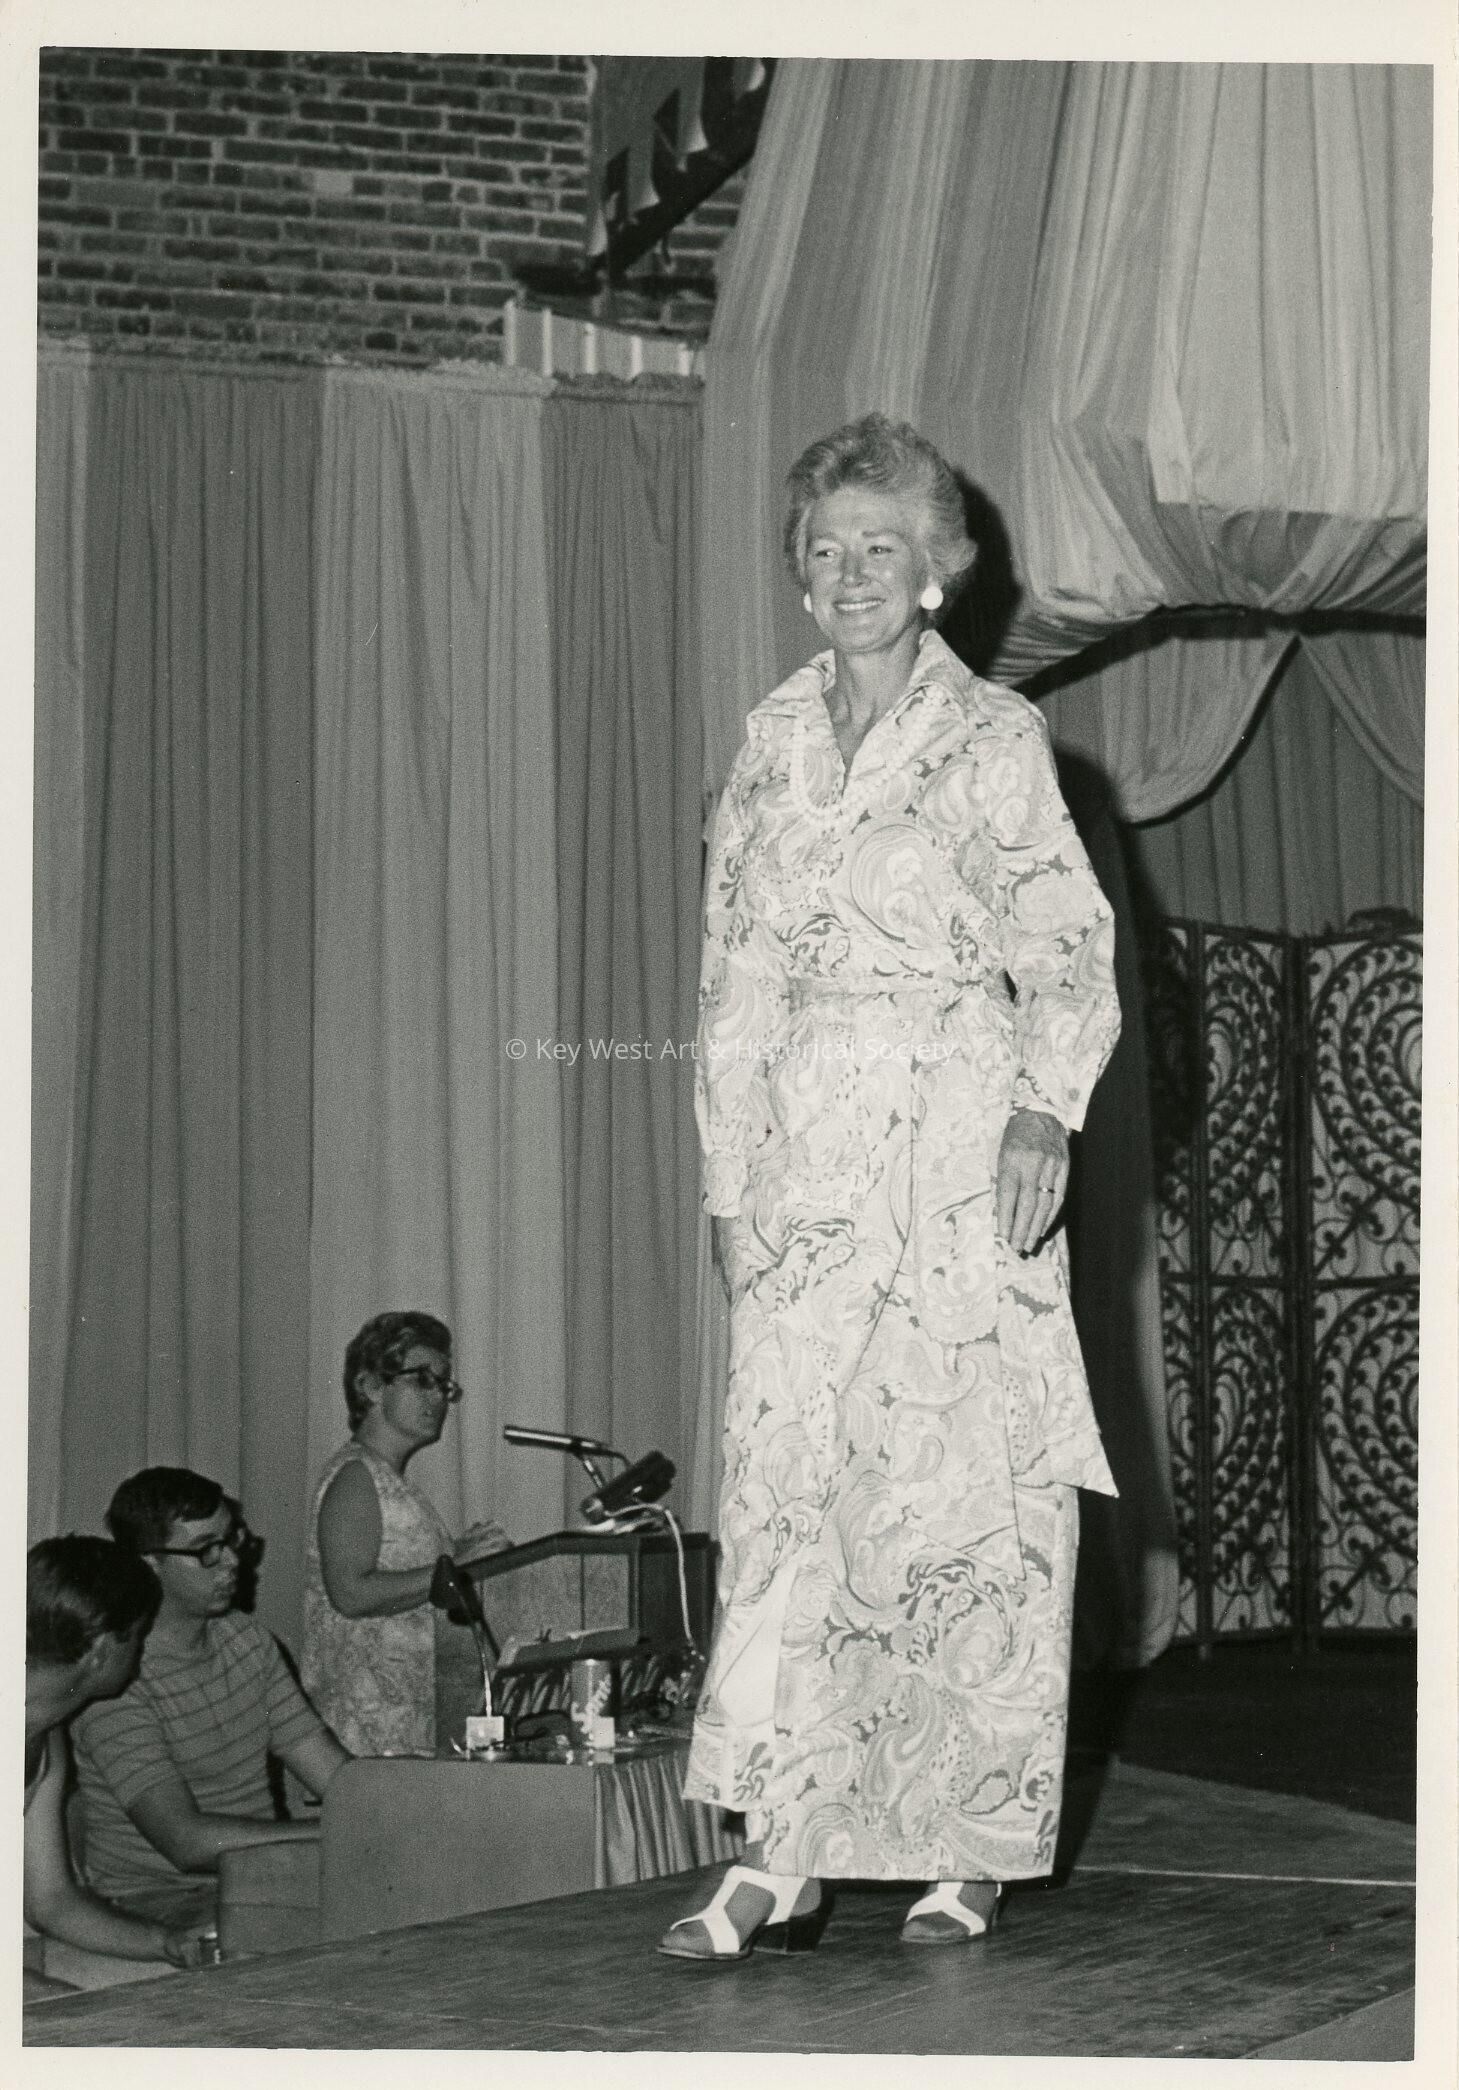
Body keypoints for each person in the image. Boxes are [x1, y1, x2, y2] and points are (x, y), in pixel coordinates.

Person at [660, 415, 1122, 1961]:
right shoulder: (766, 744)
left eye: (880, 546)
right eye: (824, 547)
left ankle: (965, 1842)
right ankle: (777, 1845)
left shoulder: (993, 738)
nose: (849, 571)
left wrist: (1044, 1111)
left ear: (935, 570)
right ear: (798, 576)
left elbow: (1067, 947)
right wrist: (728, 1190)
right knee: (789, 1494)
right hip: (805, 1162)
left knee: (959, 1498)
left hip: (959, 1149)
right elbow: (730, 981)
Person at [71, 1468, 348, 1922]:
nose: (232, 1561)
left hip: (255, 1879)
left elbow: (332, 1775)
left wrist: (398, 1804)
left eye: (232, 1539)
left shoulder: (247, 1640)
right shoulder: (115, 1682)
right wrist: (342, 1832)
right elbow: (186, 1842)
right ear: (149, 1564)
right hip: (156, 1900)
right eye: (206, 1550)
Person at [301, 1310, 512, 1756]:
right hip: (368, 1725)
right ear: (372, 1386)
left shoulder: (388, 1480)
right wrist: (455, 1565)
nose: (437, 1396)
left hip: (403, 1718)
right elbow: (350, 1593)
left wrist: (459, 1554)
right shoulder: (356, 1475)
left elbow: (409, 1579)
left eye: (443, 1384)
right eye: (422, 1380)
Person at [24, 1537, 215, 1998]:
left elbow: (51, 1903)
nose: (142, 1653)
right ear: (102, 1650)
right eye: (139, 1635)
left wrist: (166, 1942)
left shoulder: (46, 1735)